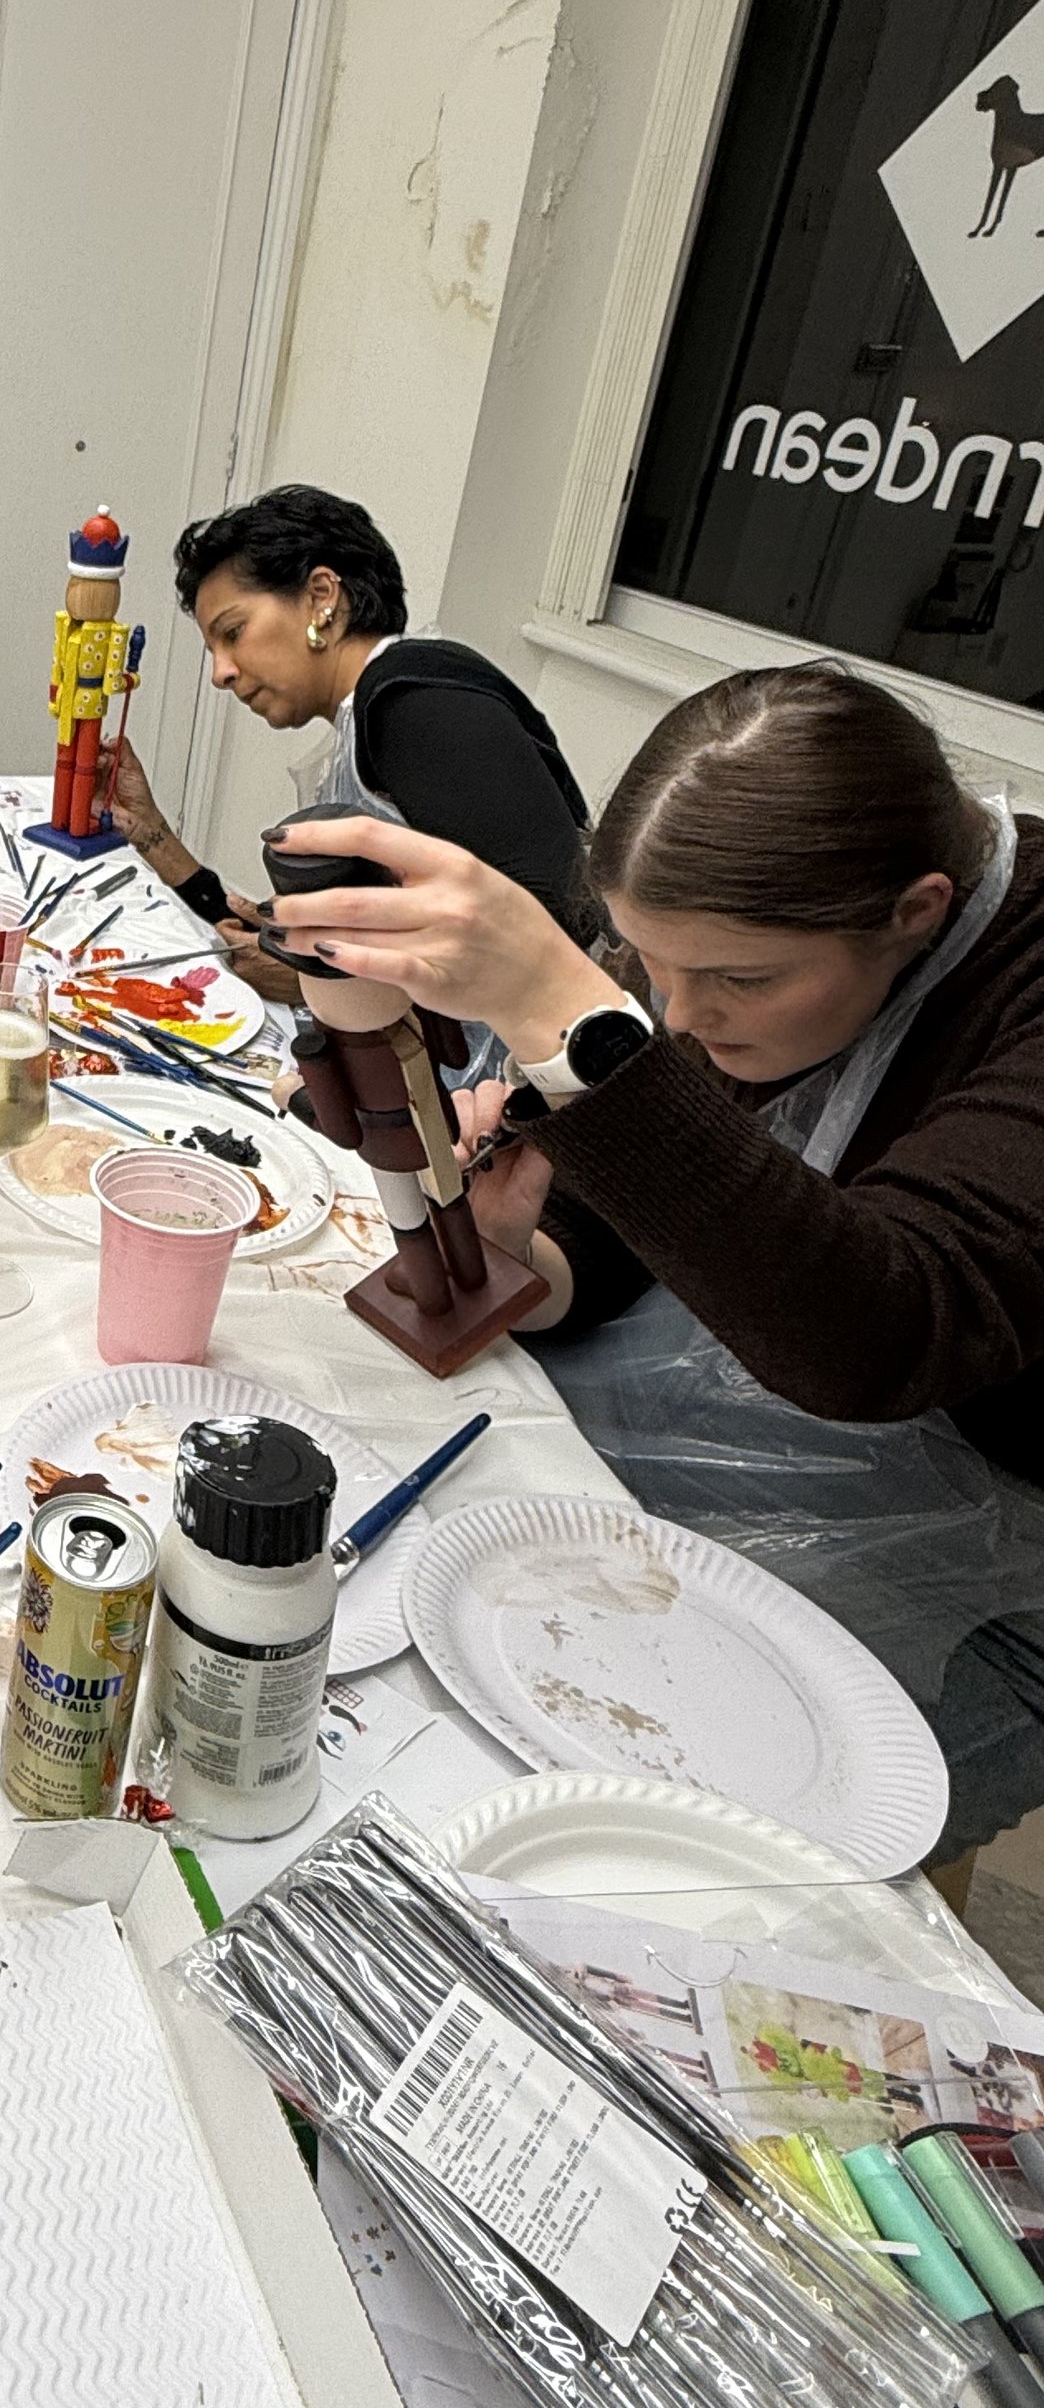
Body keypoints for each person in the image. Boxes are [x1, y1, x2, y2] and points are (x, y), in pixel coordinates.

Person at [264, 662, 1044, 1860]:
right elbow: (636, 1203)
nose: (682, 1020)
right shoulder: (725, 949)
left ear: (916, 911)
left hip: (1005, 1555)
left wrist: (563, 1017)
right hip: (819, 1437)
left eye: (735, 981)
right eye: (647, 965)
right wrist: (530, 1254)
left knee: (777, 1854)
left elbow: (884, 1329)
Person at [104, 485, 593, 999]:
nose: (220, 674)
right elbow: (324, 936)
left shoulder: (413, 703)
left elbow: (552, 929)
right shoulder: (373, 712)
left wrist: (319, 981)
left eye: (233, 633)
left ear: (321, 597)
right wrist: (151, 833)